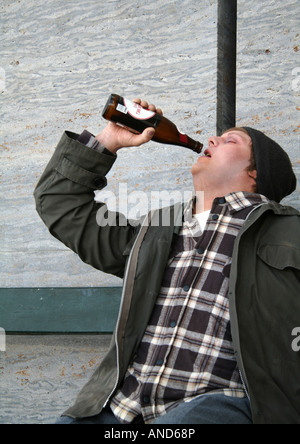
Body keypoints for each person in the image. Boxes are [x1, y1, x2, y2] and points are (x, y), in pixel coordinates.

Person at [34, 99, 300, 425]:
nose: (213, 139)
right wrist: (108, 139)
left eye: (231, 140)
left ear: (255, 174)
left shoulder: (289, 232)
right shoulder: (154, 233)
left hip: (217, 403)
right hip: (116, 408)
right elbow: (59, 204)